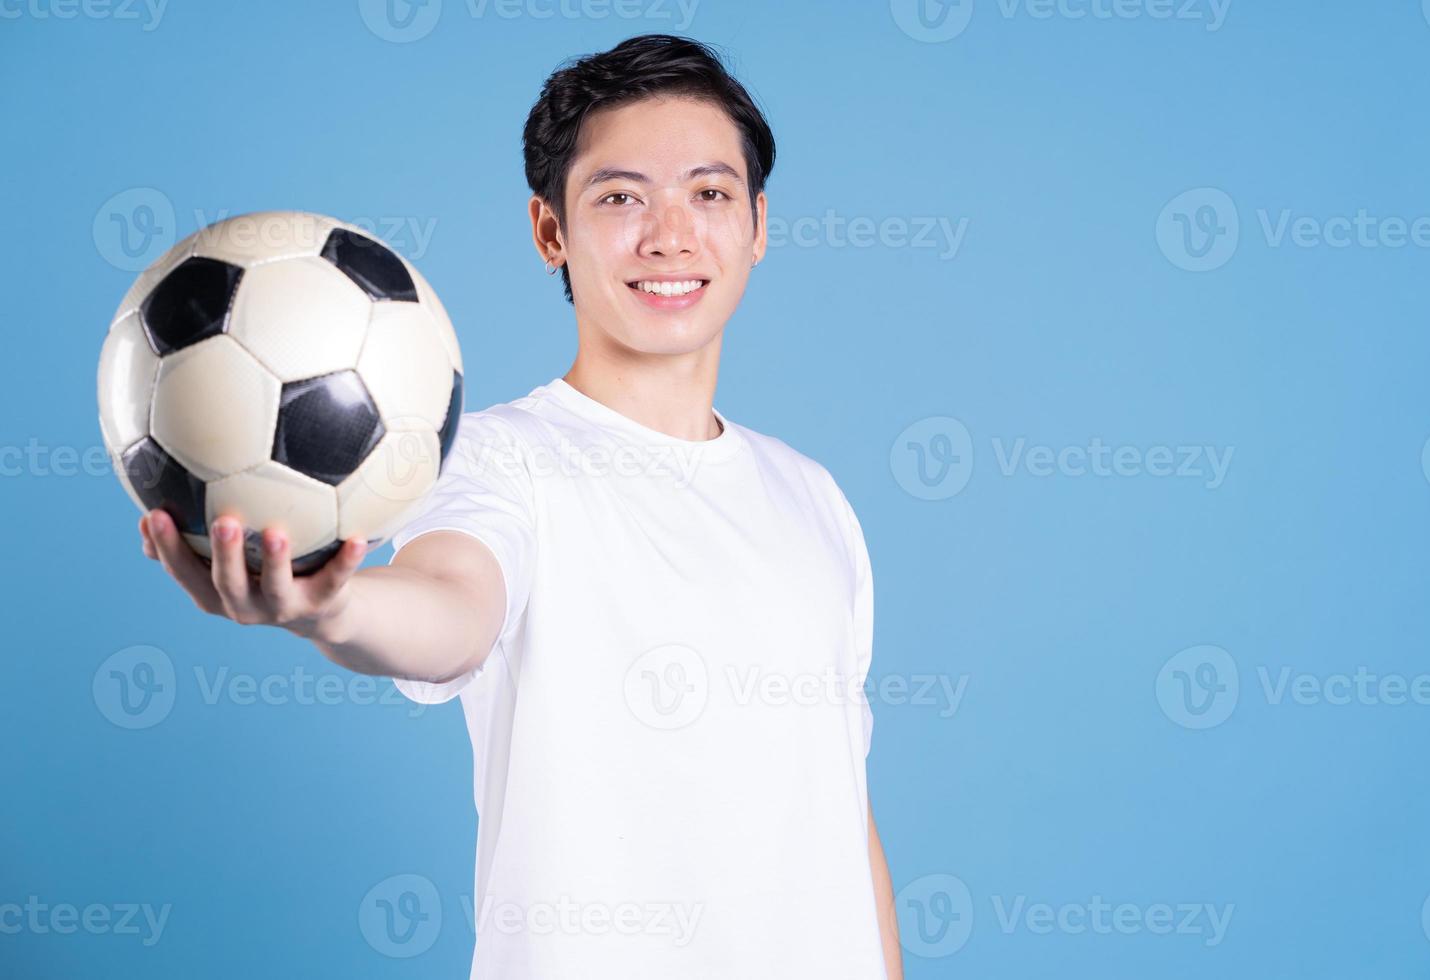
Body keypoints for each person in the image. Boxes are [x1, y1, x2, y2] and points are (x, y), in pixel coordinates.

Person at [139, 33, 902, 980]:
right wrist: (332, 606)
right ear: (551, 231)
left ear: (757, 224)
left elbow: (839, 804)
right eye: (620, 197)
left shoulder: (811, 494)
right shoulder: (505, 460)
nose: (671, 235)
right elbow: (452, 608)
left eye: (709, 193)